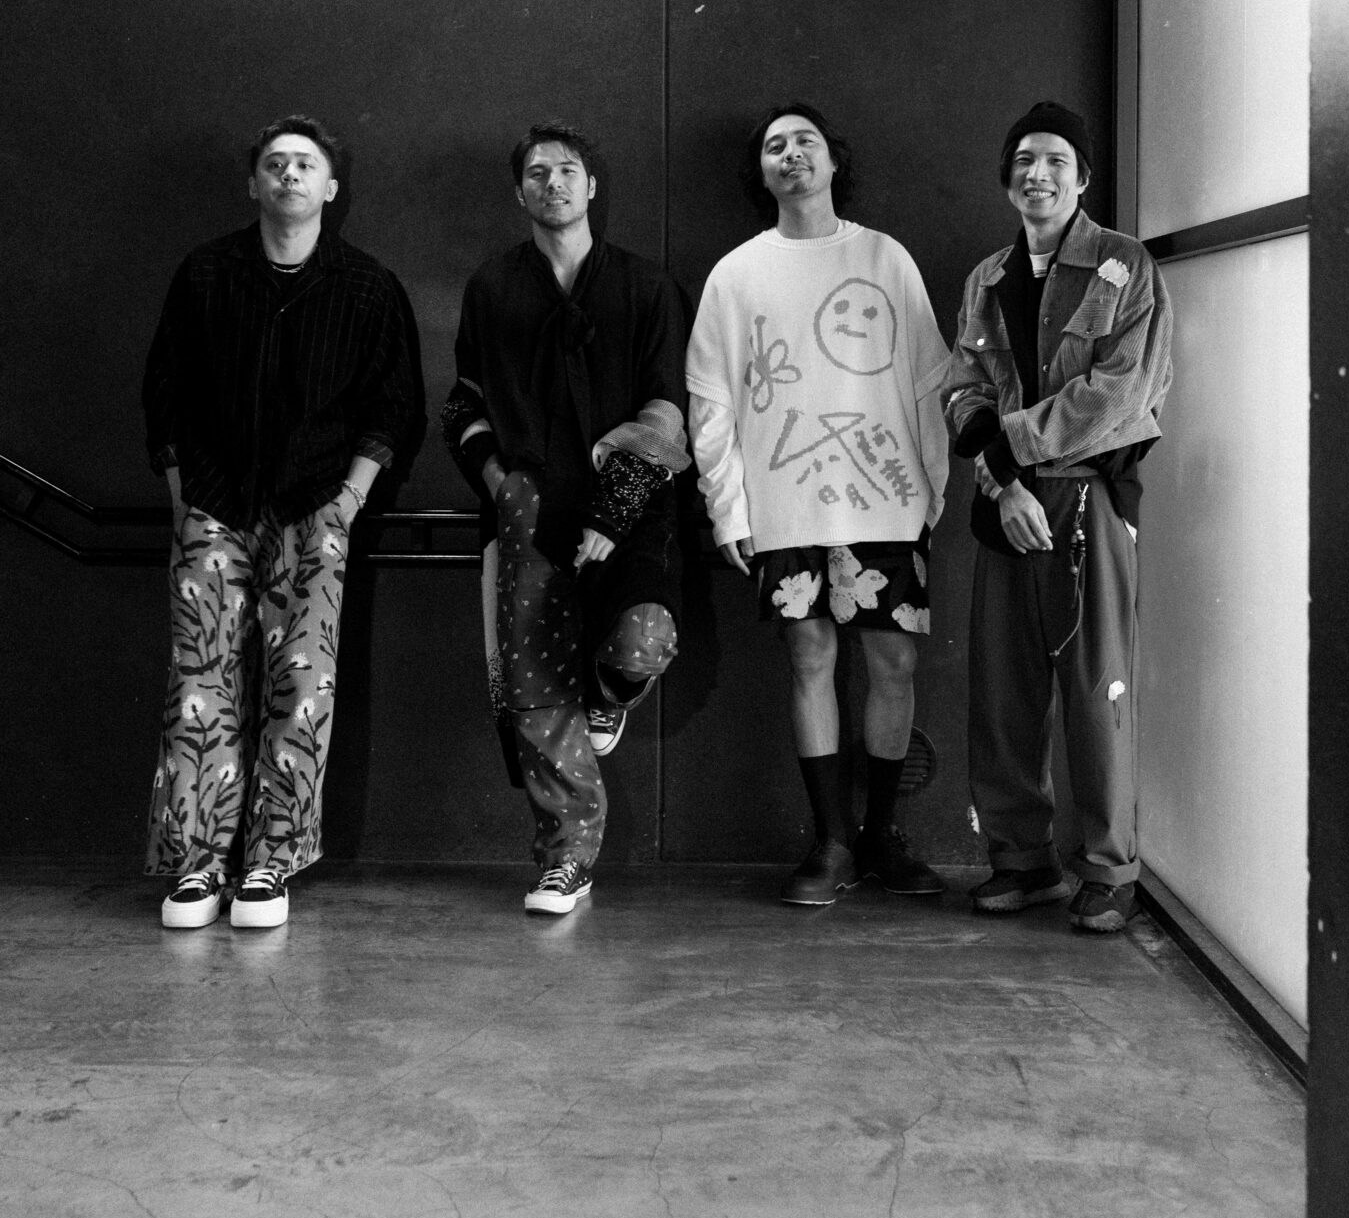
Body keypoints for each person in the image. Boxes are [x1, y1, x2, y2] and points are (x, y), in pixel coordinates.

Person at [143, 117, 425, 931]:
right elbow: (166, 391)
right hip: (216, 505)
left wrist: (349, 500)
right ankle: (197, 867)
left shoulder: (367, 286)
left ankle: (270, 862)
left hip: (316, 507)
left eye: (305, 163)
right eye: (275, 163)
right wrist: (183, 495)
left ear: (331, 187)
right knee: (199, 687)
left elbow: (393, 406)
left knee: (303, 689)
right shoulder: (206, 273)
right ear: (254, 183)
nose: (289, 174)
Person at [687, 102, 951, 907]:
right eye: (776, 145)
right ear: (761, 172)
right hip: (785, 501)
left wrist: (933, 485)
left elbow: (931, 380)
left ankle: (881, 836)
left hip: (885, 497)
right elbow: (710, 404)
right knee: (809, 658)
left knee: (893, 661)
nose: (791, 153)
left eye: (806, 141)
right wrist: (729, 509)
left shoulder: (884, 257)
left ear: (834, 161)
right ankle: (831, 839)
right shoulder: (736, 274)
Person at [442, 123, 691, 916]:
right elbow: (463, 403)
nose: (554, 182)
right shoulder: (493, 286)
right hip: (527, 504)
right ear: (520, 191)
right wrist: (497, 480)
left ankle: (607, 694)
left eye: (568, 170)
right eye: (538, 172)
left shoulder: (646, 286)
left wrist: (615, 507)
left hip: (632, 503)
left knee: (642, 640)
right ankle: (566, 859)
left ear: (592, 186)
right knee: (536, 686)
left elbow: (667, 408)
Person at [942, 101, 1173, 933]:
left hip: (1088, 498)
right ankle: (1022, 861)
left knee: (1097, 685)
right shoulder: (987, 278)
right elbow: (961, 388)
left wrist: (1010, 451)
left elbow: (1120, 392)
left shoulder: (1124, 265)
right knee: (1003, 691)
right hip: (1005, 503)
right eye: (1023, 160)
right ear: (1008, 178)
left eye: (1054, 161)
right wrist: (1003, 484)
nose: (1036, 174)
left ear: (1082, 178)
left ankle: (1109, 871)